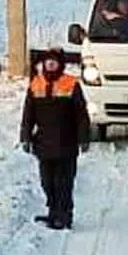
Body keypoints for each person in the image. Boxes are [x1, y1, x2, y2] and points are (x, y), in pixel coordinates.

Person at [20, 47, 89, 230]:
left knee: (63, 183)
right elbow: (28, 114)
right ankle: (52, 212)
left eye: (54, 62)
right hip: (43, 144)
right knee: (47, 182)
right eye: (47, 61)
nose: (50, 65)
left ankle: (64, 216)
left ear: (60, 64)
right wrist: (25, 136)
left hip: (67, 144)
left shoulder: (71, 84)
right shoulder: (36, 84)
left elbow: (81, 115)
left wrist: (83, 138)